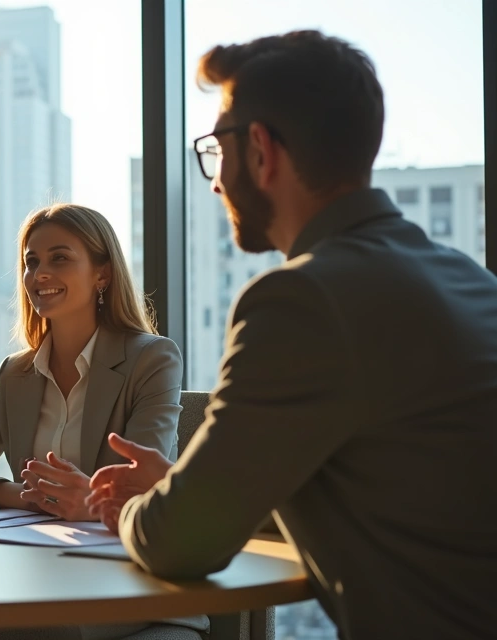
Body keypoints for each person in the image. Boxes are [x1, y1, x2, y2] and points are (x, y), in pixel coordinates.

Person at [88, 30, 497, 639]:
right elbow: (388, 494)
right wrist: (181, 488)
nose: (216, 180)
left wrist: (131, 511)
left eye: (216, 148)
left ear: (260, 150)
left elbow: (176, 545)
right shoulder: (468, 277)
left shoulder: (302, 300)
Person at [0, 204, 205, 640]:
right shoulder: (15, 374)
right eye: (31, 262)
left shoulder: (151, 359)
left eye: (59, 258)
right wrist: (18, 495)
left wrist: (90, 498)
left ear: (102, 274)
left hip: (132, 585)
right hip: (38, 579)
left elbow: (146, 481)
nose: (39, 274)